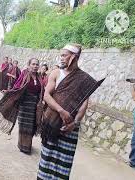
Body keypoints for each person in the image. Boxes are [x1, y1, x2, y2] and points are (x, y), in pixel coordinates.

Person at [37, 44, 97, 180]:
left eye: (64, 55)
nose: (61, 58)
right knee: (46, 161)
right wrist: (61, 111)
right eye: (61, 55)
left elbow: (84, 103)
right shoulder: (56, 73)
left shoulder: (84, 79)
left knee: (63, 165)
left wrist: (74, 123)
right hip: (52, 124)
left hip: (69, 128)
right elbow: (46, 95)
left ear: (74, 57)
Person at [0, 58, 44, 154]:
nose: (35, 66)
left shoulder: (39, 77)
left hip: (35, 106)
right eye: (33, 64)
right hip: (25, 105)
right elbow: (17, 86)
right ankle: (24, 146)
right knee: (24, 125)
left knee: (32, 126)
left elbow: (42, 90)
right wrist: (9, 92)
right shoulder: (24, 74)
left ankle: (28, 143)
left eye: (37, 64)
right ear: (29, 65)